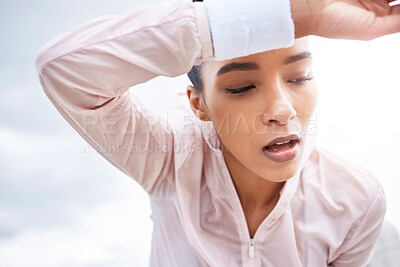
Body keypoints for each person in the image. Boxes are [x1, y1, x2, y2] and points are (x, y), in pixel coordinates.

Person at [35, 0, 399, 266]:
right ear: (199, 105)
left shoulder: (356, 201)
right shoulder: (168, 159)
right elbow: (63, 67)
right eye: (241, 87)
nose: (282, 110)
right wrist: (301, 13)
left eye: (299, 77)